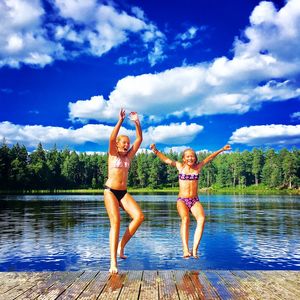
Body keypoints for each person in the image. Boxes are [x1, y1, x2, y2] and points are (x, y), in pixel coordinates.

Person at [150, 143, 231, 258]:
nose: (190, 158)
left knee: (202, 219)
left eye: (192, 156)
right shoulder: (180, 166)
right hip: (182, 200)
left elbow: (210, 158)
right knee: (185, 219)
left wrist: (222, 149)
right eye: (187, 156)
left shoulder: (198, 167)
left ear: (195, 158)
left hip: (194, 200)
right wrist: (156, 151)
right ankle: (185, 249)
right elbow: (167, 160)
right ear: (183, 158)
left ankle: (194, 249)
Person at [104, 109, 144, 274]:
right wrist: (120, 120)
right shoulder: (113, 153)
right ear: (118, 144)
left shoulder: (129, 156)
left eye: (128, 143)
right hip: (111, 191)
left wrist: (136, 122)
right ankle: (113, 262)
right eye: (124, 142)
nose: (127, 145)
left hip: (123, 192)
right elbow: (112, 138)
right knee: (116, 222)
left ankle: (121, 246)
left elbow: (140, 139)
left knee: (139, 217)